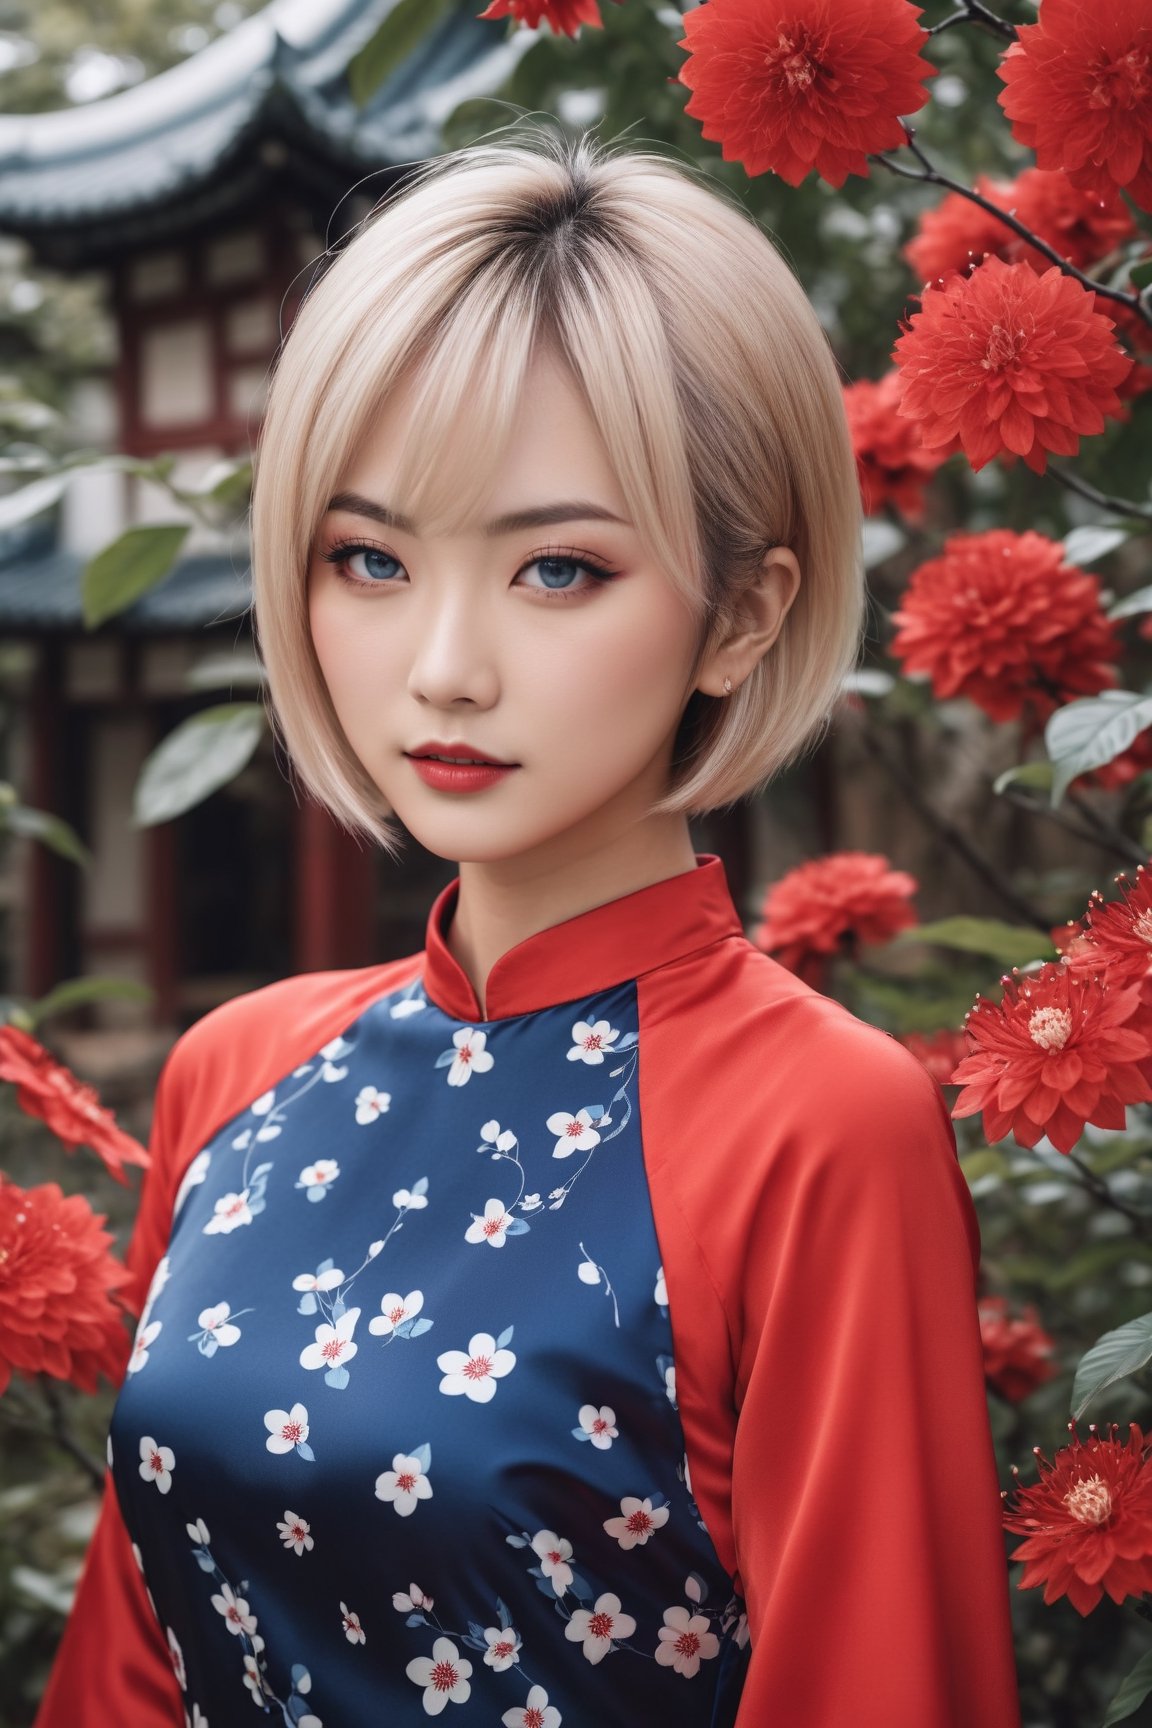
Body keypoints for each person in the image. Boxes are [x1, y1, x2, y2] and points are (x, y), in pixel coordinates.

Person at [35, 128, 1021, 1728]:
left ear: (746, 613)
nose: (442, 667)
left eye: (557, 569)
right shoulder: (236, 1075)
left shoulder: (821, 1126)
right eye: (369, 560)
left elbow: (883, 1688)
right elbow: (129, 1665)